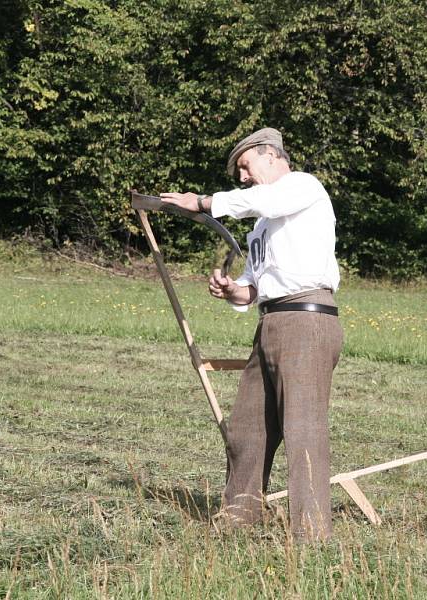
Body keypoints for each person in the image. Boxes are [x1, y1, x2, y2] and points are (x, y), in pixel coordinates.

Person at [161, 127, 343, 540]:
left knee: (303, 429)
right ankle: (238, 519)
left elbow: (260, 199)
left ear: (269, 154)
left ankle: (312, 537)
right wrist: (232, 290)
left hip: (307, 320)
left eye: (245, 166)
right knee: (246, 427)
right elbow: (254, 286)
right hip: (272, 322)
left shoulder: (302, 187)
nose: (242, 177)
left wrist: (203, 203)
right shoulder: (262, 225)